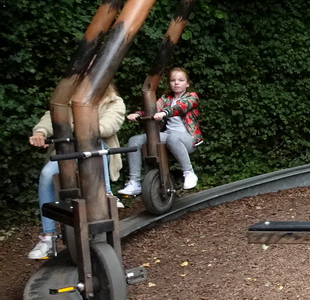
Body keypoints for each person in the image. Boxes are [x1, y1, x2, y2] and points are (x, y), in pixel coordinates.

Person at [27, 83, 126, 260]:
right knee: (46, 175)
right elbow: (52, 118)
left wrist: (83, 130)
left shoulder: (113, 102)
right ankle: (48, 237)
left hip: (95, 146)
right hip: (67, 150)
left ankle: (107, 192)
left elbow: (110, 124)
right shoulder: (67, 101)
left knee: (95, 147)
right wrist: (41, 133)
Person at [119, 67, 203, 196]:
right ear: (169, 83)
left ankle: (189, 172)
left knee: (173, 138)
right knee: (134, 140)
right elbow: (153, 110)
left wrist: (165, 112)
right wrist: (137, 114)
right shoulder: (165, 99)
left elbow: (180, 107)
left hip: (187, 138)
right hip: (168, 135)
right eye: (173, 80)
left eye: (180, 80)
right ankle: (134, 182)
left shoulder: (192, 97)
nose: (176, 83)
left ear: (187, 83)